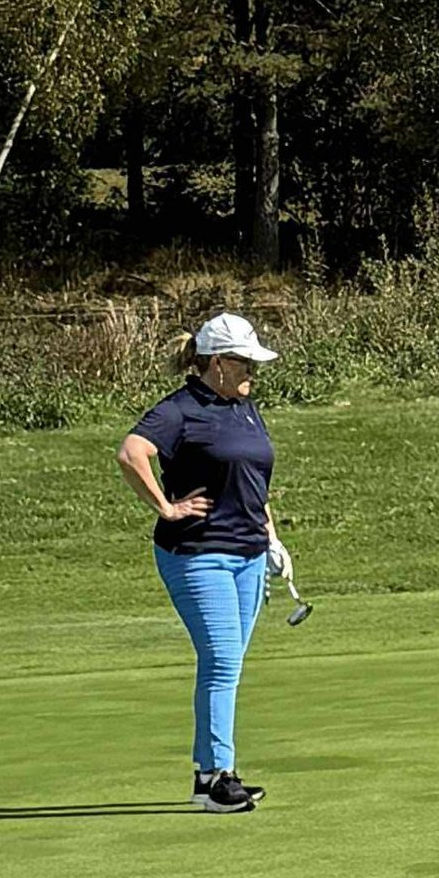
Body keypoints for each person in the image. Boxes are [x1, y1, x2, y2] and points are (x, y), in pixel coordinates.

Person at [117, 311, 296, 812]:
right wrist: (166, 507)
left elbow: (252, 480)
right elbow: (131, 453)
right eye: (245, 363)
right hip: (198, 553)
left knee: (228, 664)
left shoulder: (245, 407)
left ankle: (207, 777)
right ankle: (219, 776)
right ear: (217, 363)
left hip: (248, 553)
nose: (252, 371)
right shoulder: (181, 409)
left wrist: (272, 537)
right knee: (221, 660)